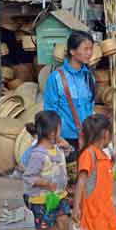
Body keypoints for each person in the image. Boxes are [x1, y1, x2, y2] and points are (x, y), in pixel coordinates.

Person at [44, 31, 96, 185]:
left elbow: (91, 108)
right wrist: (57, 138)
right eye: (85, 49)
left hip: (87, 138)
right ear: (72, 51)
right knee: (67, 183)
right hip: (65, 140)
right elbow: (49, 112)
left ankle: (82, 209)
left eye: (91, 49)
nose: (89, 53)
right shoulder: (56, 78)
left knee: (86, 180)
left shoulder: (89, 77)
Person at [19, 111, 70, 230]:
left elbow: (63, 159)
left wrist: (67, 147)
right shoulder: (38, 154)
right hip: (41, 200)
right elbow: (29, 177)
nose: (61, 132)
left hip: (59, 196)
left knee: (63, 222)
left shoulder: (57, 149)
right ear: (52, 132)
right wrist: (46, 183)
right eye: (60, 128)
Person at [72, 114, 116, 230]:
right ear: (105, 133)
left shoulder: (103, 155)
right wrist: (76, 207)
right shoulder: (88, 154)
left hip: (106, 210)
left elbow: (104, 176)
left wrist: (113, 162)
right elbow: (81, 181)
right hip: (93, 212)